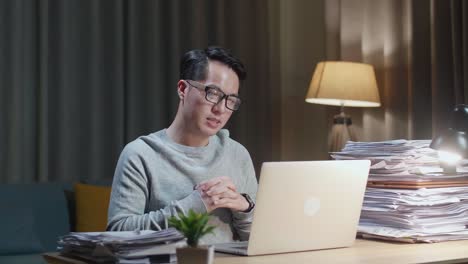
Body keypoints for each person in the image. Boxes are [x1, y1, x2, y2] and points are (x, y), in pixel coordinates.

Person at [107, 46, 258, 244]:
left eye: (231, 100)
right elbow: (117, 234)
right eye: (212, 93)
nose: (221, 108)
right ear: (183, 89)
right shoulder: (141, 154)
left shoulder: (237, 154)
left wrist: (245, 207)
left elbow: (258, 240)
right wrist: (197, 204)